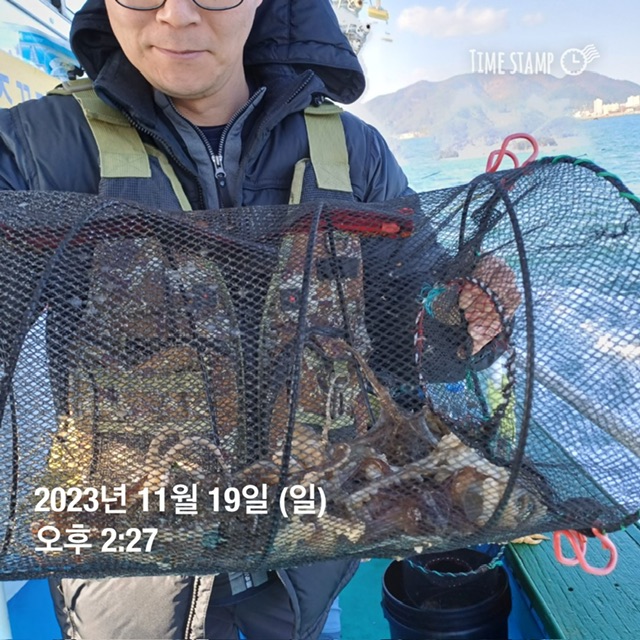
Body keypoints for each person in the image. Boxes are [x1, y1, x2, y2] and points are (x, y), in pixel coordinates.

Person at [0, 0, 518, 638]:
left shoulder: (353, 153)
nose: (176, 15)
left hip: (313, 549)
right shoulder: (31, 150)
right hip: (131, 571)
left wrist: (465, 312)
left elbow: (411, 340)